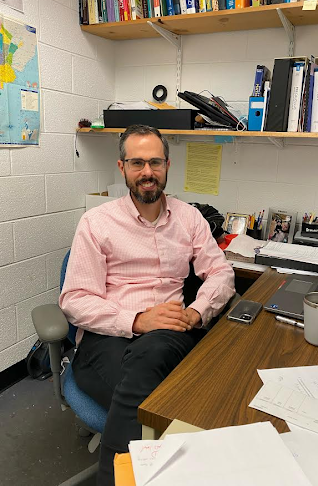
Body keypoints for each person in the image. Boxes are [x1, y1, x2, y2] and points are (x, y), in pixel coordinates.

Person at [59, 124, 235, 485]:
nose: (148, 172)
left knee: (156, 358)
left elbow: (221, 272)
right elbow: (75, 300)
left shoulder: (189, 218)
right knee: (171, 401)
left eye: (155, 162)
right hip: (106, 337)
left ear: (168, 165)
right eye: (137, 163)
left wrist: (195, 311)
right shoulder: (96, 223)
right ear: (122, 167)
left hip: (169, 336)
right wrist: (137, 320)